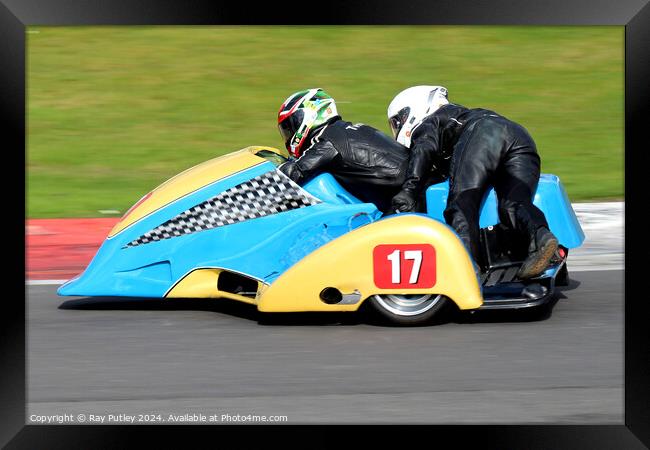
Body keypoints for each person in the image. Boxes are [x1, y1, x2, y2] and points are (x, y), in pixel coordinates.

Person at [387, 85, 558, 279]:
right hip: (518, 135)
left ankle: (466, 271)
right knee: (513, 204)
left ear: (412, 110)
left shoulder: (428, 123)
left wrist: (409, 190)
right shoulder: (458, 114)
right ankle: (542, 239)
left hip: (483, 134)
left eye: (397, 121)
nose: (397, 127)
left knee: (461, 205)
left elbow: (423, 150)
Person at [277, 88, 410, 213]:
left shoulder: (327, 143)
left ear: (308, 117)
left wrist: (273, 169)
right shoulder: (352, 129)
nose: (289, 134)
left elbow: (292, 174)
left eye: (290, 127)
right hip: (413, 188)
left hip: (405, 202)